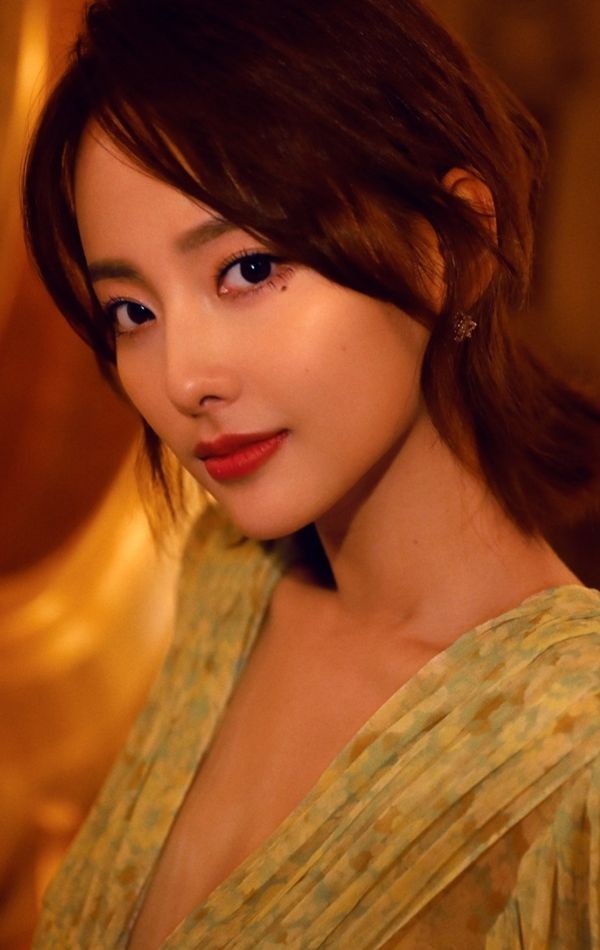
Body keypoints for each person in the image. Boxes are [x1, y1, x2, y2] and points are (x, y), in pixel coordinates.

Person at [23, 0, 600, 946]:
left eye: (249, 270)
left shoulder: (575, 748)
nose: (182, 379)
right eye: (132, 312)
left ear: (452, 246)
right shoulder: (227, 585)